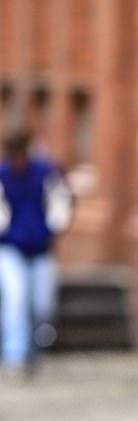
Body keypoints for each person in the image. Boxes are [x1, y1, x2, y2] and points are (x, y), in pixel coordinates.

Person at [0, 126, 72, 375]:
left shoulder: (44, 172)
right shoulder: (3, 175)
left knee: (42, 304)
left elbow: (59, 202)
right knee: (16, 299)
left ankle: (33, 348)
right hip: (10, 248)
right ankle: (15, 354)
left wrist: (54, 227)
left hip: (41, 249)